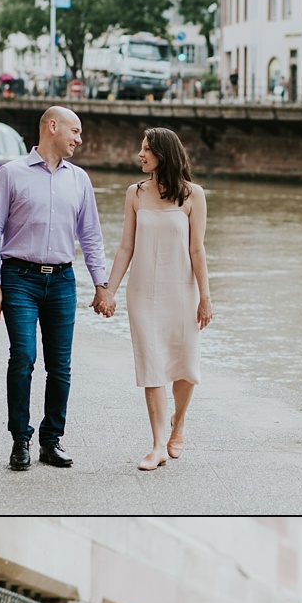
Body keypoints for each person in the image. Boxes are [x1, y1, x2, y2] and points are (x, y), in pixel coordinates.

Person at [0, 104, 110, 470]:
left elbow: (91, 235)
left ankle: (51, 440)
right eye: (75, 131)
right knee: (23, 357)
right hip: (18, 278)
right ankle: (20, 439)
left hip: (63, 281)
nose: (79, 139)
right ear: (52, 127)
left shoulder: (79, 179)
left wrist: (101, 284)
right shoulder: (11, 174)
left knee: (61, 366)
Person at [100, 128, 212, 469]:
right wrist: (109, 290)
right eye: (141, 147)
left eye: (147, 149)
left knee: (184, 364)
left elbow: (197, 248)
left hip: (183, 290)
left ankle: (178, 427)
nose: (140, 154)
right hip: (143, 293)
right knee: (152, 366)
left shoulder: (194, 195)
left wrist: (205, 297)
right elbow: (125, 247)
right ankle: (158, 445)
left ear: (164, 153)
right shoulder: (134, 193)